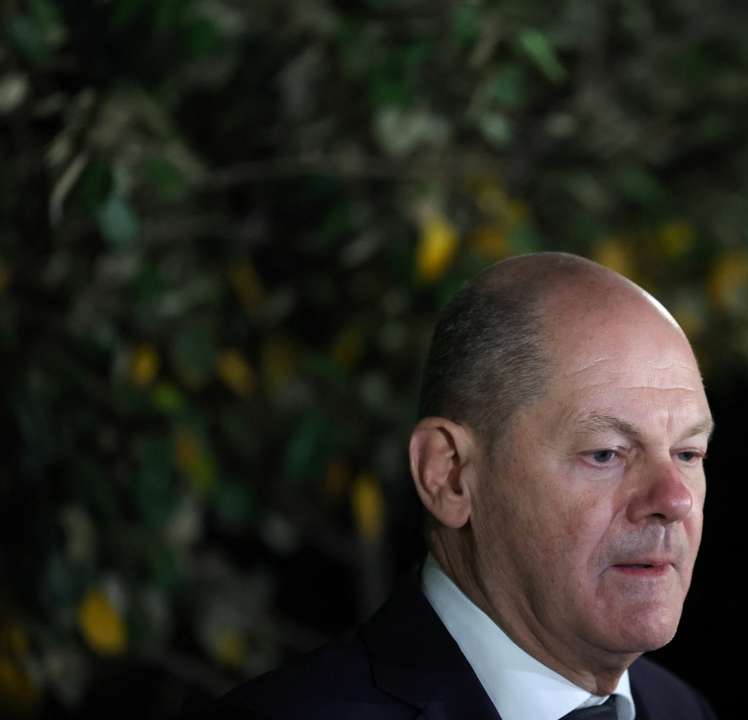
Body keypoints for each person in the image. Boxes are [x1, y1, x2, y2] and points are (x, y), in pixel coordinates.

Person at [206, 252, 717, 719]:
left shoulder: (680, 710)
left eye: (688, 454)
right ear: (449, 475)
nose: (674, 499)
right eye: (605, 454)